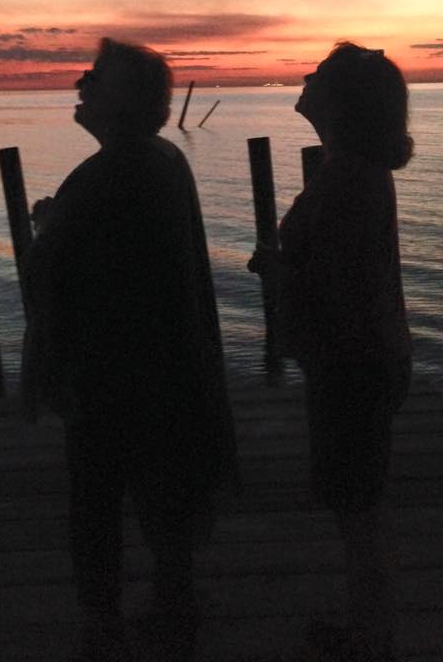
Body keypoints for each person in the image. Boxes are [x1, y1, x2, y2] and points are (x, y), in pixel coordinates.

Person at [22, 38, 238, 661]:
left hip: (111, 374)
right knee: (162, 492)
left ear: (128, 99)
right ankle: (175, 605)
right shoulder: (162, 159)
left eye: (97, 77)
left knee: (96, 501)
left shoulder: (111, 172)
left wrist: (47, 228)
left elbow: (54, 271)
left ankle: (103, 626)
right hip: (160, 365)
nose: (81, 83)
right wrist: (61, 220)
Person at [249, 42, 413, 662]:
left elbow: (339, 288)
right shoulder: (350, 168)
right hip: (362, 360)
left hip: (354, 366)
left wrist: (278, 272)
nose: (304, 76)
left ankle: (372, 640)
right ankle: (369, 630)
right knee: (359, 506)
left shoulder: (347, 178)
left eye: (316, 74)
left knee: (358, 511)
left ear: (340, 102)